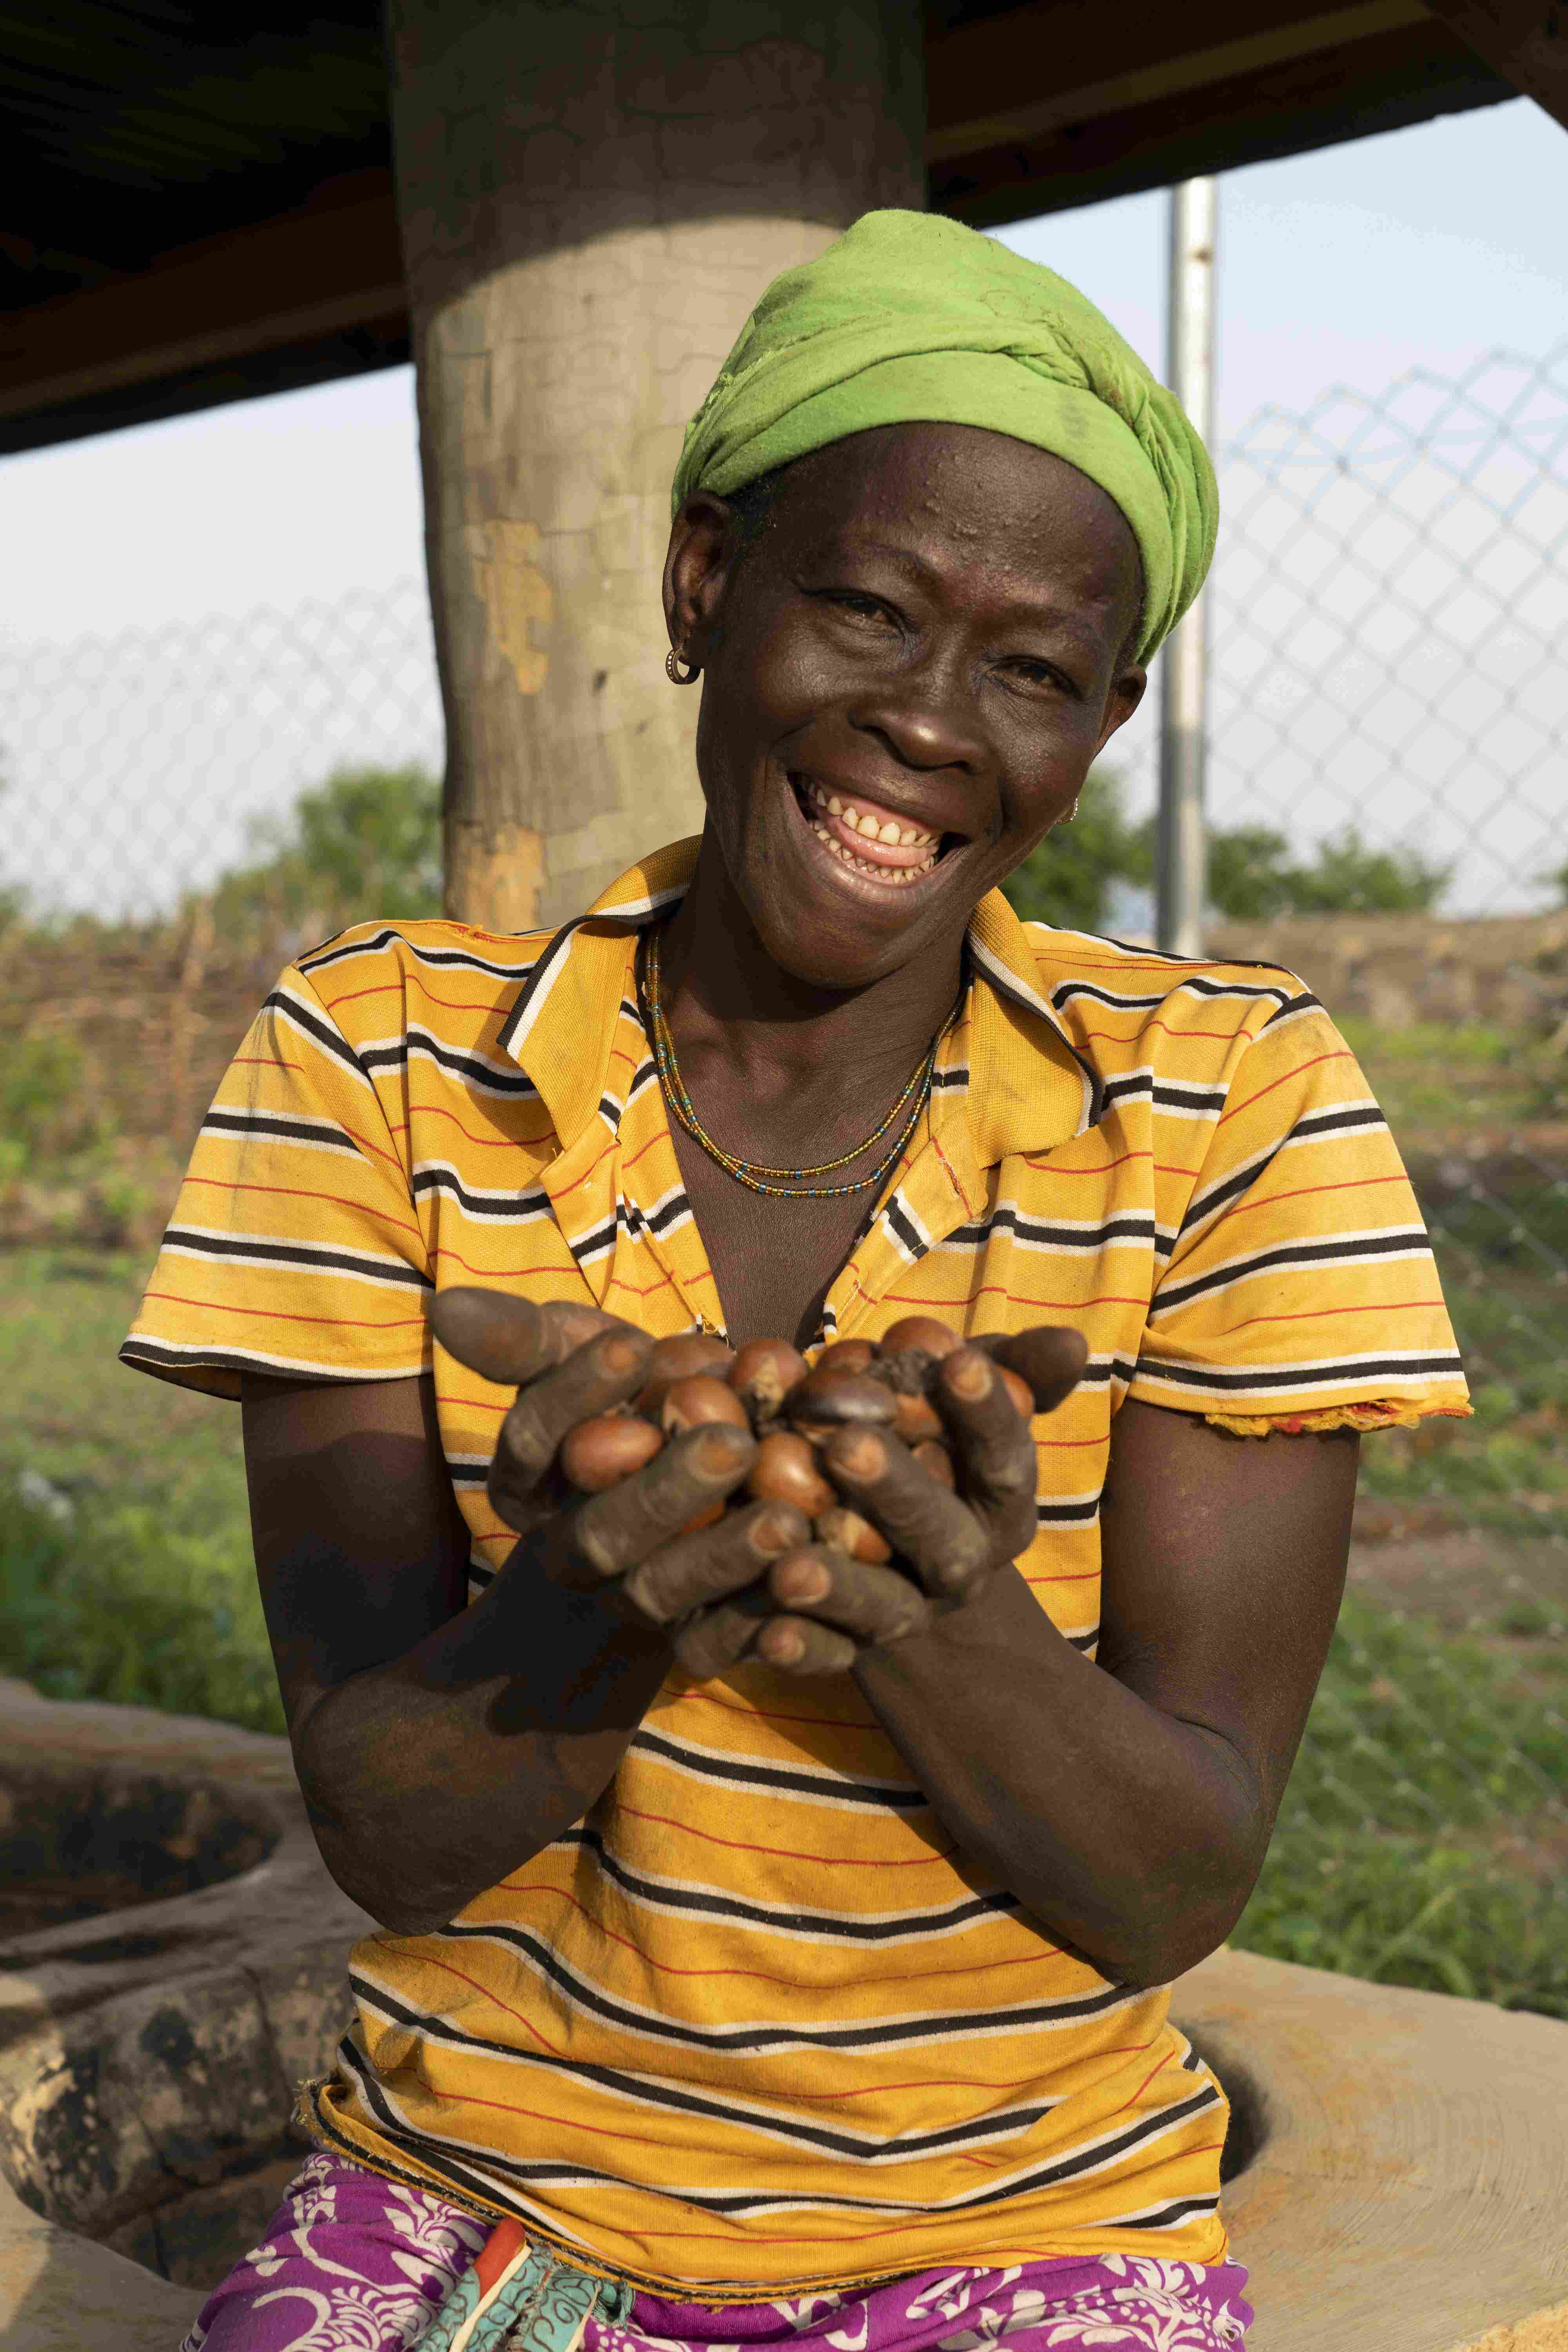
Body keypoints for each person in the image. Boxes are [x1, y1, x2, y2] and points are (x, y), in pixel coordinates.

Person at [123, 211, 1467, 2352]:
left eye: (1032, 671)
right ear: (702, 582)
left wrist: (914, 1598)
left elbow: (1173, 1882)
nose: (933, 725)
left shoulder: (1234, 1109)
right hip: (482, 2215)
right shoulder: (373, 1066)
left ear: (1105, 725)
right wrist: (605, 1594)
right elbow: (391, 1832)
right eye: (868, 606)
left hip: (1023, 2237)